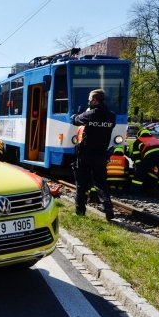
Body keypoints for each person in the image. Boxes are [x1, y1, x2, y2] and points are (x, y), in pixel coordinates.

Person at [71, 89, 116, 220]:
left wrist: (75, 116)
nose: (89, 101)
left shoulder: (89, 114)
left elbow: (75, 120)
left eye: (90, 99)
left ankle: (80, 211)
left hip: (86, 155)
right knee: (101, 183)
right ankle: (108, 208)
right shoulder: (111, 116)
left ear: (95, 100)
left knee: (81, 183)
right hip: (101, 155)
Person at [129, 127, 159, 193]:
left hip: (151, 154)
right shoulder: (154, 139)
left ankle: (135, 190)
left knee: (141, 171)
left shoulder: (138, 141)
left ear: (139, 135)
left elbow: (137, 157)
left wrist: (139, 166)